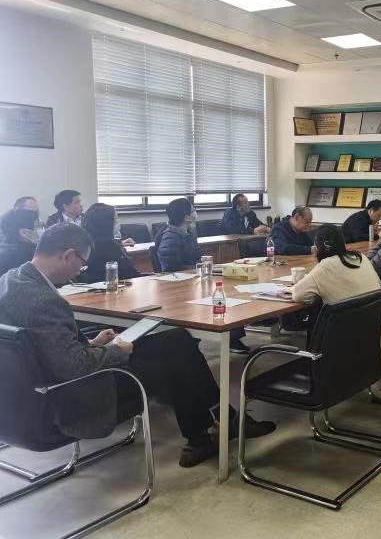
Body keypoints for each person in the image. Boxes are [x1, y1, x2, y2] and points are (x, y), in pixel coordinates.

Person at [0, 224, 277, 467]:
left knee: (176, 339)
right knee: (178, 356)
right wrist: (116, 351)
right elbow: (74, 366)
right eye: (81, 264)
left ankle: (214, 427)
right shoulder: (45, 301)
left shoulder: (11, 280)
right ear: (68, 255)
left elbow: (43, 347)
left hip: (25, 395)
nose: (78, 272)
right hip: (72, 394)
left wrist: (92, 343)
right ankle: (213, 428)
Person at [291, 225, 381, 304]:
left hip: (347, 317)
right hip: (375, 317)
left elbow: (297, 295)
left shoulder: (325, 266)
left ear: (319, 247)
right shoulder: (361, 258)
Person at [79, 203, 142, 284]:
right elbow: (130, 274)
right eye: (115, 219)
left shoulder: (86, 243)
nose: (117, 222)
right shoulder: (108, 247)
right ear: (106, 223)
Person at [154, 198, 202, 273]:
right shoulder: (170, 237)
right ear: (187, 217)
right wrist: (198, 268)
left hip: (192, 274)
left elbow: (196, 257)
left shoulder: (188, 232)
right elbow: (170, 267)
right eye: (193, 210)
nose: (195, 211)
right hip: (179, 277)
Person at [0, 209, 39, 275]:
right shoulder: (28, 254)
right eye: (36, 226)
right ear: (24, 232)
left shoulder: (4, 247)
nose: (39, 231)